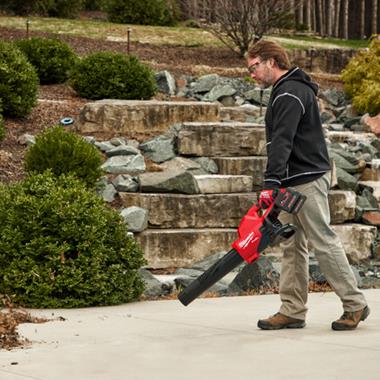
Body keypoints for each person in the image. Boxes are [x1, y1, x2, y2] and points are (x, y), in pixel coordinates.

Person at [247, 40, 369, 331]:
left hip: (306, 179)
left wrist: (270, 183)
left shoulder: (289, 93)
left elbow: (282, 141)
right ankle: (292, 309)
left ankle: (355, 305)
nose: (251, 74)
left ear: (271, 61)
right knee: (292, 244)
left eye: (254, 67)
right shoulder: (288, 89)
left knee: (322, 241)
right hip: (294, 180)